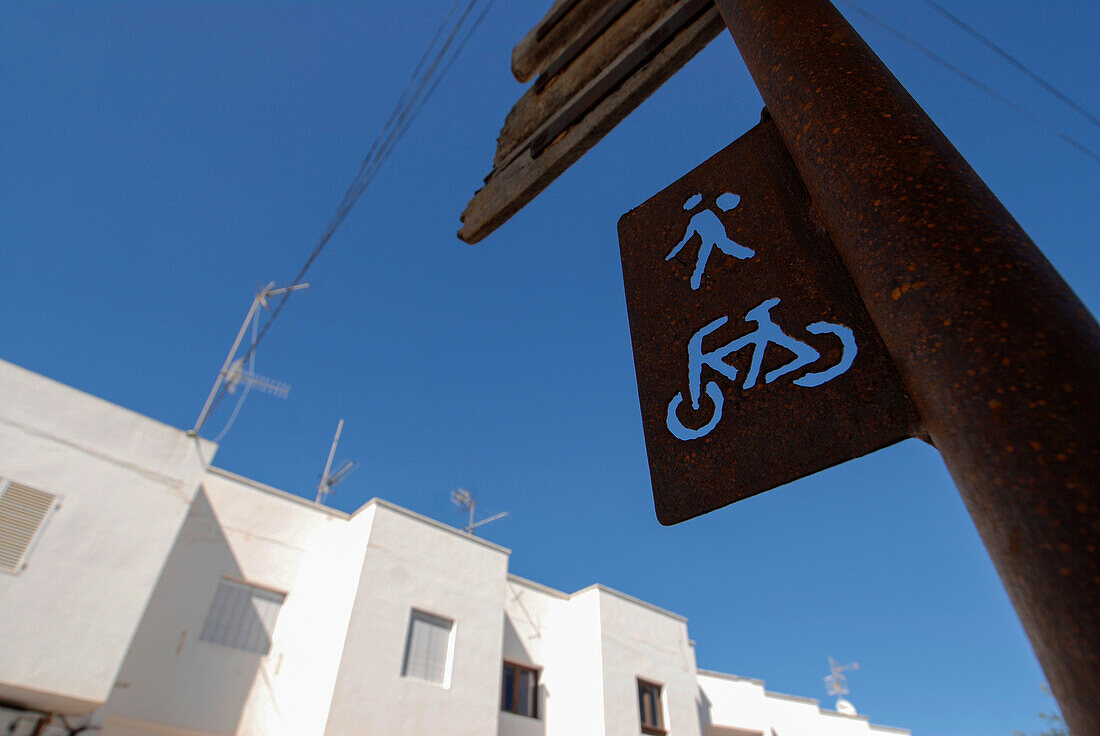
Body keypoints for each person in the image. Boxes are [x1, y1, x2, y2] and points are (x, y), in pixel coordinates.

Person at [666, 192, 754, 289]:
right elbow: (684, 240)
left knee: (712, 249)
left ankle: (745, 253)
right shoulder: (702, 216)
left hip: (712, 231)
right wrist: (671, 254)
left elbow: (684, 240)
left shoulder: (700, 216)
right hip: (711, 232)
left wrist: (671, 254)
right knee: (712, 249)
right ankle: (745, 253)